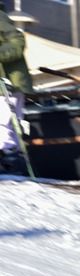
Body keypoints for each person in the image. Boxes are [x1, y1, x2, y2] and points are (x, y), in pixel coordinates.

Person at [0, 9, 33, 176]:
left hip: (9, 82)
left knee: (5, 120)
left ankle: (10, 159)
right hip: (6, 83)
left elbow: (18, 41)